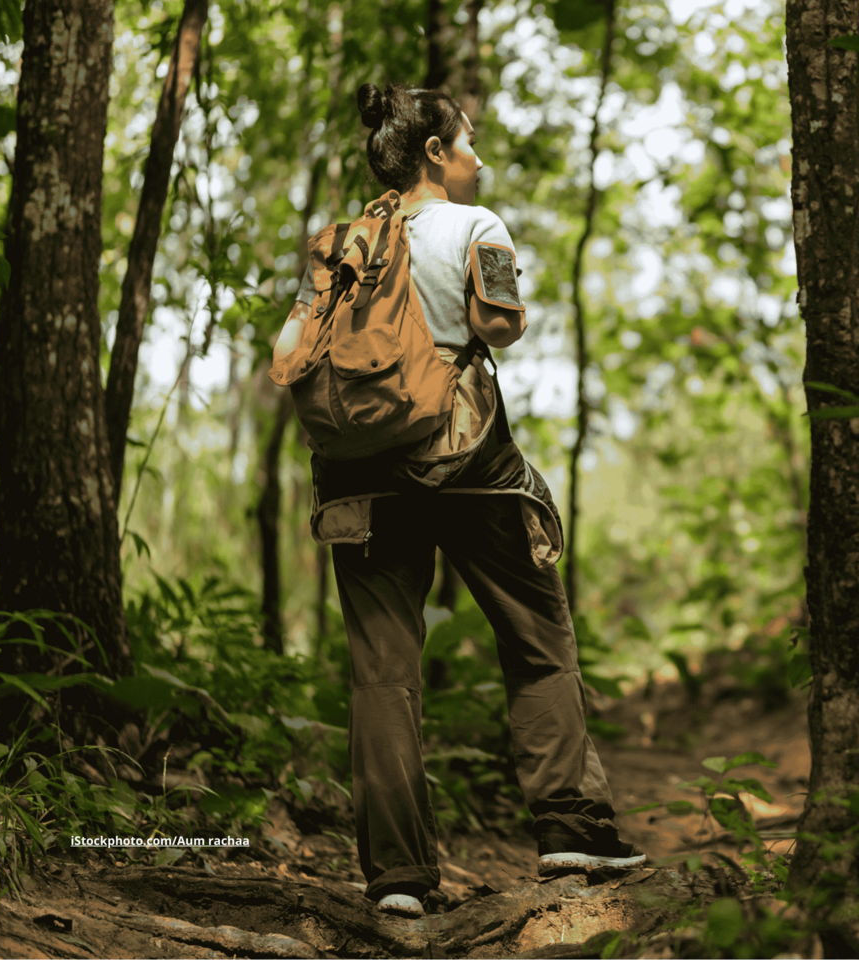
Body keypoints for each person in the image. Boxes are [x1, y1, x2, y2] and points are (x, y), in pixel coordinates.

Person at [274, 82, 644, 920]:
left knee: (383, 673)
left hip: (361, 477)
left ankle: (399, 878)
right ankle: (573, 830)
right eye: (469, 141)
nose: (478, 157)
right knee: (538, 639)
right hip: (466, 458)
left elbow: (291, 350)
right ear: (436, 153)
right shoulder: (478, 226)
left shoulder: (340, 243)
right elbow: (500, 322)